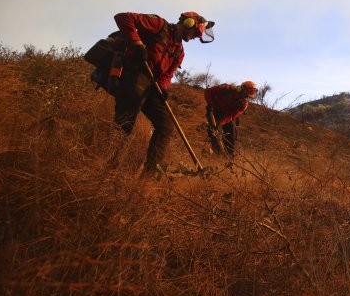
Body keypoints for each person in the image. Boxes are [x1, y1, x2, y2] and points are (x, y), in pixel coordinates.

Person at [108, 11, 215, 174]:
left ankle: (149, 174)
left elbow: (167, 75)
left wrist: (163, 87)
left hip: (153, 86)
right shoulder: (159, 25)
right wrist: (137, 44)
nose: (194, 38)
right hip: (135, 74)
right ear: (188, 23)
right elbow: (122, 18)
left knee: (166, 125)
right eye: (195, 33)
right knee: (125, 121)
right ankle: (108, 167)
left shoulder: (179, 52)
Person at [204, 81, 259, 157]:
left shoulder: (244, 103)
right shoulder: (226, 88)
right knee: (213, 133)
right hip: (213, 111)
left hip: (227, 117)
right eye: (247, 93)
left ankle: (229, 156)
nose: (246, 96)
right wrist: (210, 104)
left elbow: (232, 115)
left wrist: (220, 123)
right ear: (242, 88)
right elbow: (208, 92)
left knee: (231, 135)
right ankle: (217, 154)